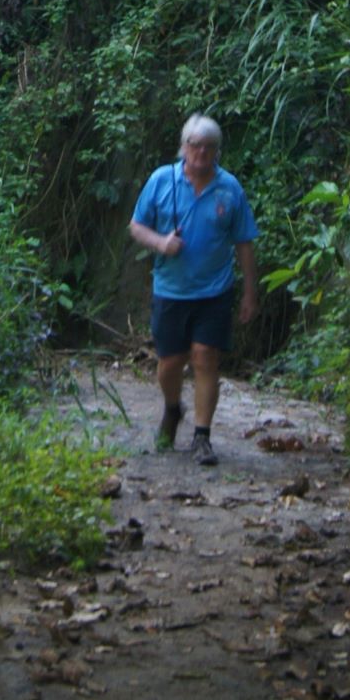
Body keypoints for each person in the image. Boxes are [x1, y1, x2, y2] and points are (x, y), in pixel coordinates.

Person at [129, 113, 259, 466]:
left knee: (205, 356)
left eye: (209, 147)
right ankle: (173, 408)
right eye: (195, 145)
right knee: (170, 363)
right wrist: (160, 242)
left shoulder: (230, 189)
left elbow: (244, 242)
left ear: (217, 151)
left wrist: (250, 292)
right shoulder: (161, 180)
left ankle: (202, 436)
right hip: (171, 289)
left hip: (214, 291)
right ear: (183, 147)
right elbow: (137, 226)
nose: (202, 152)